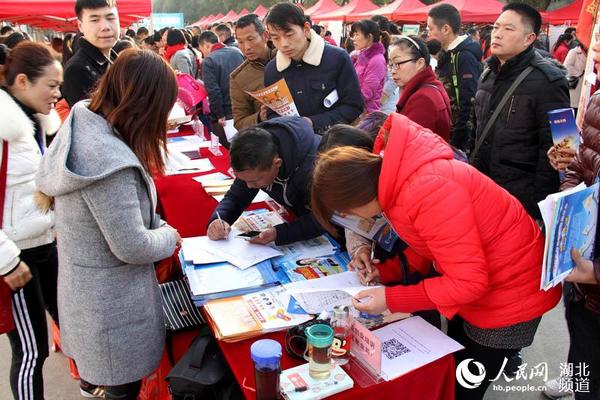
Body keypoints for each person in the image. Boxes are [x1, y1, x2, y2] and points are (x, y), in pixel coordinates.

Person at [310, 113, 562, 400]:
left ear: (351, 202)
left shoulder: (424, 190)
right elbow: (431, 245)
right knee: (455, 368)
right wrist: (387, 272)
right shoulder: (397, 185)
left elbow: (468, 283)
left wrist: (391, 298)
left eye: (345, 214)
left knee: (465, 384)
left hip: (511, 293)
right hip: (490, 284)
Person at [35, 49, 181, 400]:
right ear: (144, 104)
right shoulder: (108, 162)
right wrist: (170, 235)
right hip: (113, 308)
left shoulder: (86, 118)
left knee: (116, 385)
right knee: (122, 389)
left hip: (90, 295)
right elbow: (131, 245)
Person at [0, 41, 62, 400]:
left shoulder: (34, 119)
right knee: (31, 350)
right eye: (51, 85)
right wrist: (7, 262)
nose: (57, 94)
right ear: (22, 81)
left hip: (43, 243)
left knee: (61, 325)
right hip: (17, 256)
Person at [471, 2, 569, 222]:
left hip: (521, 200)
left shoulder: (548, 81)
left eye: (508, 29)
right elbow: (477, 128)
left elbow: (560, 148)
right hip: (482, 189)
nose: (497, 34)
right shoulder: (487, 74)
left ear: (529, 38)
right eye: (496, 27)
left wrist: (538, 206)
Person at [543, 38, 600, 400]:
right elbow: (582, 164)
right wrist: (567, 178)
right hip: (583, 261)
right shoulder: (597, 100)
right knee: (583, 341)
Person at [207, 116, 324, 246]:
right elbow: (236, 197)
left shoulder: (316, 168)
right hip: (300, 217)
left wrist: (278, 233)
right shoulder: (254, 154)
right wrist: (220, 218)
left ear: (277, 163)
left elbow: (324, 218)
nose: (249, 186)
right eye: (244, 180)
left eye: (255, 181)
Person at [264, 2, 363, 135]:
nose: (283, 44)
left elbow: (353, 106)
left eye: (289, 35)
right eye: (276, 38)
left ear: (306, 29)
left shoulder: (337, 58)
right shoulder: (272, 70)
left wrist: (313, 123)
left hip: (334, 143)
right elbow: (272, 114)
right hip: (295, 145)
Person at [427, 3, 482, 151]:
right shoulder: (447, 53)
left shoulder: (464, 56)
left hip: (459, 136)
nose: (428, 34)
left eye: (430, 29)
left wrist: (458, 140)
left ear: (445, 29)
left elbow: (469, 101)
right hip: (447, 130)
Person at [386, 35, 451, 141]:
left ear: (420, 63)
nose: (392, 70)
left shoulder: (422, 99)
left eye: (397, 63)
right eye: (390, 64)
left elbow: (410, 144)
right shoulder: (431, 86)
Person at [62, 0, 119, 107]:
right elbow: (88, 120)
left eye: (111, 18)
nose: (105, 27)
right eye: (95, 20)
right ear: (80, 26)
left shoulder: (118, 61)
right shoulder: (77, 69)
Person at [197, 30, 243, 147]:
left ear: (206, 45)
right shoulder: (237, 51)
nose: (203, 54)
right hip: (242, 108)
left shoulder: (209, 61)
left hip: (225, 112)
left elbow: (213, 90)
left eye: (202, 50)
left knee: (228, 149)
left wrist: (219, 114)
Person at [230, 14, 276, 130]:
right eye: (240, 42)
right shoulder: (238, 78)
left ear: (265, 36)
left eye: (250, 39)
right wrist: (259, 117)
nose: (246, 47)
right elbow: (239, 122)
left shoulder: (285, 55)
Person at [350, 20, 388, 114]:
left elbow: (366, 93)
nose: (353, 38)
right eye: (353, 35)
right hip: (356, 109)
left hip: (365, 114)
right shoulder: (358, 56)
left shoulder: (377, 60)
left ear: (369, 37)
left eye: (357, 35)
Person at [564, 41, 587, 113]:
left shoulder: (592, 53)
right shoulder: (574, 52)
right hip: (576, 84)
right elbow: (566, 66)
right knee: (575, 108)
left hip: (588, 85)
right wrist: (579, 74)